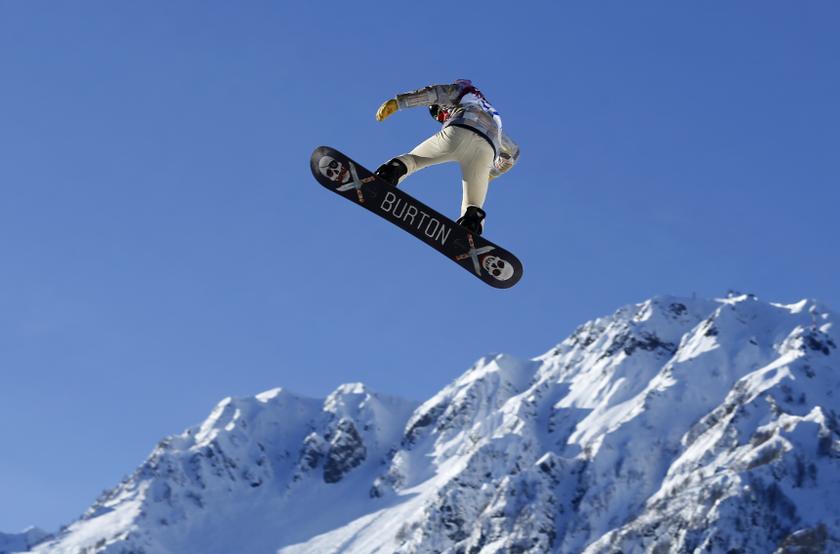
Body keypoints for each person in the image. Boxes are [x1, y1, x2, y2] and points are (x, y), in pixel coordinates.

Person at [374, 79, 519, 235]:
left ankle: (389, 173)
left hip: (460, 130)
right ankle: (471, 224)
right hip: (487, 148)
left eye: (439, 114)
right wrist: (492, 173)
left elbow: (435, 93)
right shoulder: (493, 117)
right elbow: (512, 153)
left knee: (414, 160)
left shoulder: (464, 92)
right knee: (473, 203)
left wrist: (399, 102)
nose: (441, 118)